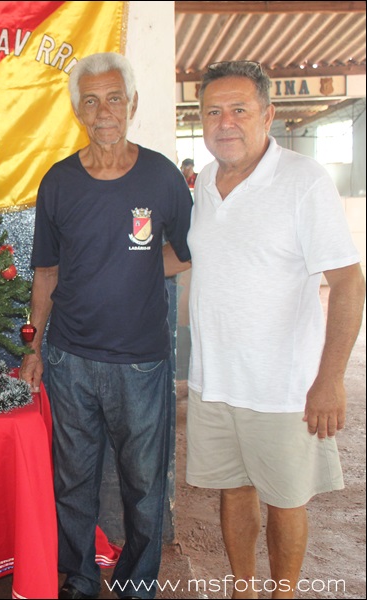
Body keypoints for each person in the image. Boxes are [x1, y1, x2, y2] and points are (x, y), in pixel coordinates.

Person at [186, 60, 365, 599]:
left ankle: (282, 593)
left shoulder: (302, 180)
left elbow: (349, 283)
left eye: (239, 110)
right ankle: (242, 589)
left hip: (283, 387)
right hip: (214, 381)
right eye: (213, 112)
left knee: (287, 500)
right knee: (233, 491)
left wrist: (329, 380)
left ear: (267, 115)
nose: (225, 122)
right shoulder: (204, 183)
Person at [20, 52, 192, 600]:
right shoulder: (59, 182)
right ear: (78, 111)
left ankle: (137, 583)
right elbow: (46, 272)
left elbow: (186, 251)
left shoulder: (163, 177)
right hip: (69, 360)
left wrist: (137, 267)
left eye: (114, 98)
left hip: (141, 362)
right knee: (72, 482)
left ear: (132, 104)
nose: (103, 112)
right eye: (91, 101)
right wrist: (33, 347)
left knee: (144, 485)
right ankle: (79, 578)